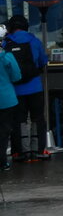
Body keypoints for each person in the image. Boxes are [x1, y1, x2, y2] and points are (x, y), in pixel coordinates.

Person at [5, 14, 50, 162]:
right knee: (37, 118)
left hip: (15, 89)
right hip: (35, 86)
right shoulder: (34, 41)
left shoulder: (7, 42)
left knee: (19, 120)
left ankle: (21, 152)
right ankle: (39, 151)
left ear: (11, 27)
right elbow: (43, 60)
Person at [0, 25, 22, 171]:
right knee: (3, 132)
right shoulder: (7, 57)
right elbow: (16, 76)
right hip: (6, 99)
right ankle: (2, 162)